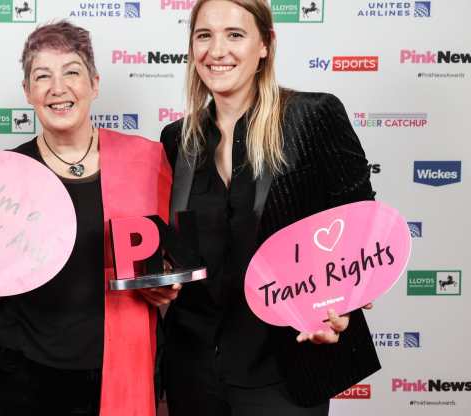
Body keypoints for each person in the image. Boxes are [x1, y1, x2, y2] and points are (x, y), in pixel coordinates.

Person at [0, 21, 175, 416]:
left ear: (94, 83)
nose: (58, 88)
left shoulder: (145, 161)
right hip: (25, 370)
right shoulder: (1, 176)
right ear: (28, 91)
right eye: (43, 76)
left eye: (71, 72)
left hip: (116, 366)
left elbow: (169, 260)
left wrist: (167, 284)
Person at [159, 1, 381, 415]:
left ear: (265, 44)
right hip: (193, 368)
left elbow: (361, 228)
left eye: (235, 34)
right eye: (204, 35)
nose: (216, 50)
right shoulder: (177, 139)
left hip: (286, 364)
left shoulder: (312, 116)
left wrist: (341, 307)